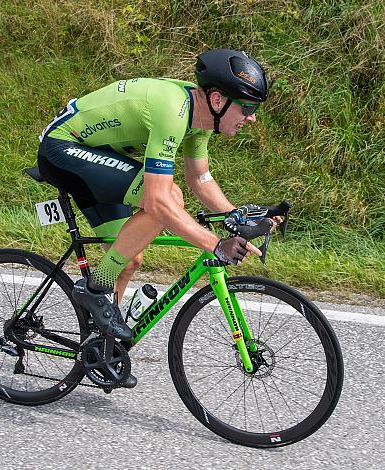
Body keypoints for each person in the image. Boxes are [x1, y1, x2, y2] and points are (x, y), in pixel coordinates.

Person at [37, 49, 270, 386]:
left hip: (101, 154)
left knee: (129, 259)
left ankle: (101, 349)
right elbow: (160, 202)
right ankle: (95, 287)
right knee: (167, 199)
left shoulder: (201, 119)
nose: (251, 118)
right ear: (218, 99)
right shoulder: (172, 111)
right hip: (63, 148)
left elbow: (200, 179)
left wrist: (237, 218)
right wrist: (215, 244)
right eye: (247, 108)